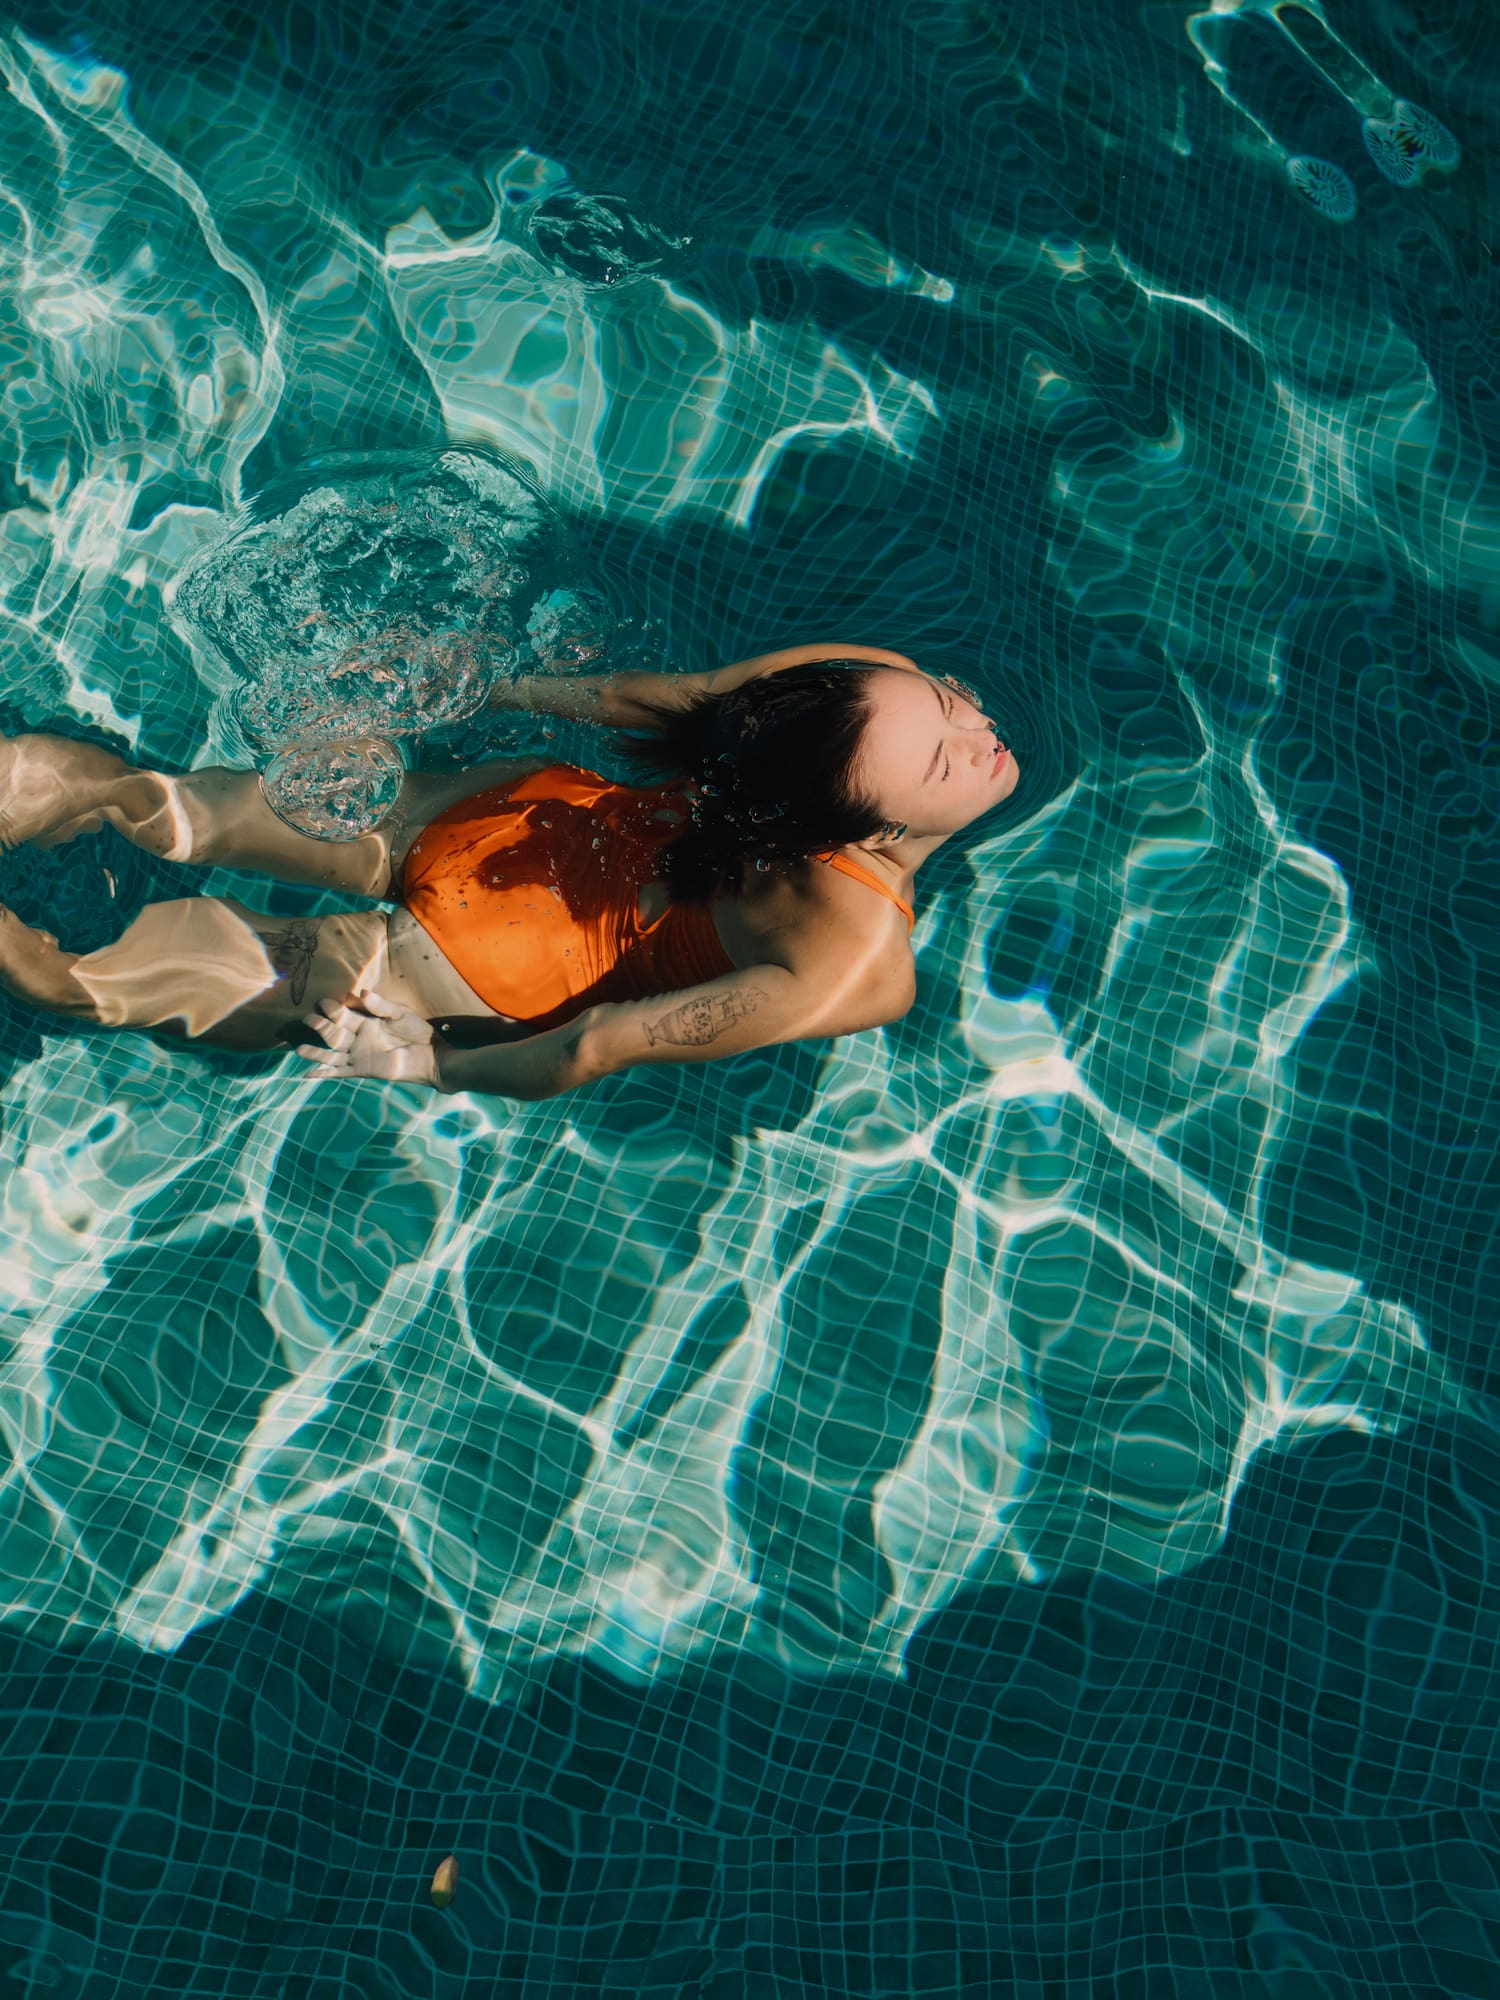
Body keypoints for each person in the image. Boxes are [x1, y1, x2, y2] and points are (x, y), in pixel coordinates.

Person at [0, 642, 1019, 1099]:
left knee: (145, 796)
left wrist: (481, 689)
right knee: (70, 980)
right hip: (470, 966)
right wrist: (427, 1061)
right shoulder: (858, 961)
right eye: (950, 708)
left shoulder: (858, 689)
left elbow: (645, 700)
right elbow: (595, 1044)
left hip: (516, 815)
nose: (979, 728)